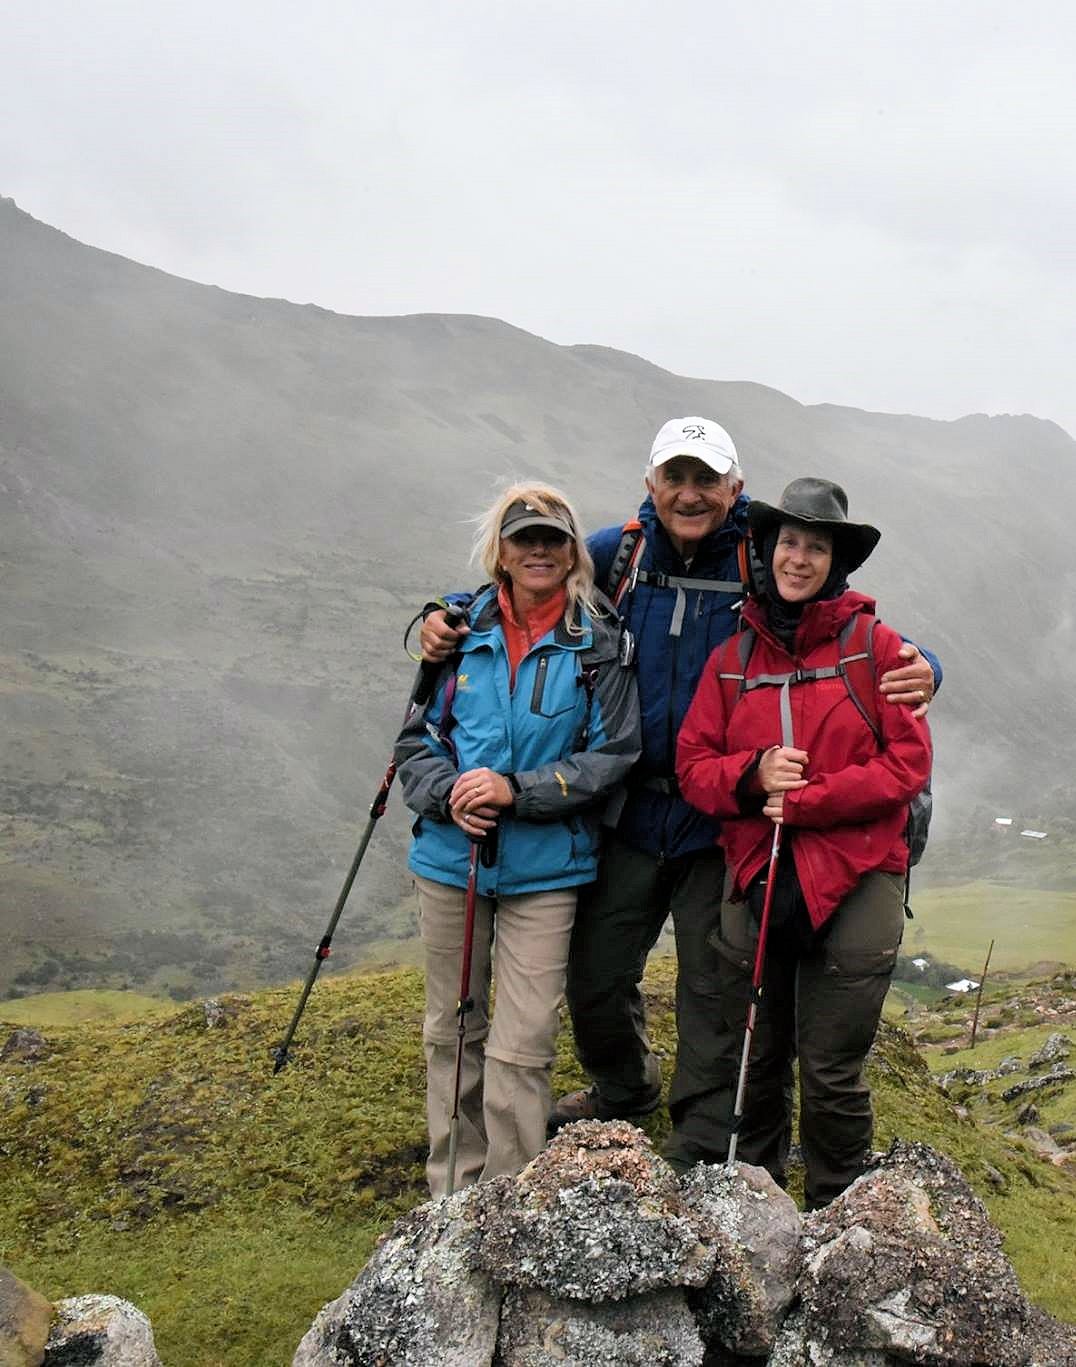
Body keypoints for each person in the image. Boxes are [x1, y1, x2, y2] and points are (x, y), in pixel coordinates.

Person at [415, 417, 938, 1168]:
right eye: (676, 477)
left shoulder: (761, 557)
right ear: (651, 484)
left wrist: (929, 667)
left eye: (706, 479)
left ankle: (698, 1141)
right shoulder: (616, 555)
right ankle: (624, 1088)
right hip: (628, 808)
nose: (689, 494)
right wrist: (444, 613)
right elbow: (524, 579)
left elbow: (841, 619)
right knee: (596, 977)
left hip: (719, 818)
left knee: (714, 989)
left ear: (735, 487)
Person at [677, 476, 931, 1207]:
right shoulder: (732, 660)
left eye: (815, 547)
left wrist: (807, 800)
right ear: (766, 549)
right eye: (788, 542)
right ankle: (757, 1209)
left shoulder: (878, 649)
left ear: (836, 561)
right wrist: (752, 775)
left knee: (830, 1069)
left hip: (859, 872)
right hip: (758, 874)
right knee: (756, 1059)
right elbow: (693, 765)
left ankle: (837, 1215)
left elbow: (907, 764)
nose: (798, 558)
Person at [395, 482, 638, 1196]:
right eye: (523, 538)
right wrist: (449, 793)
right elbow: (414, 742)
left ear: (572, 553)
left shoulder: (598, 642)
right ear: (499, 552)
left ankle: (509, 1200)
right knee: (451, 1030)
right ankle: (452, 1193)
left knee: (523, 1042)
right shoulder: (457, 632)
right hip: (450, 861)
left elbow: (613, 754)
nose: (538, 550)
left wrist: (514, 790)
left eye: (552, 539)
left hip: (547, 869)